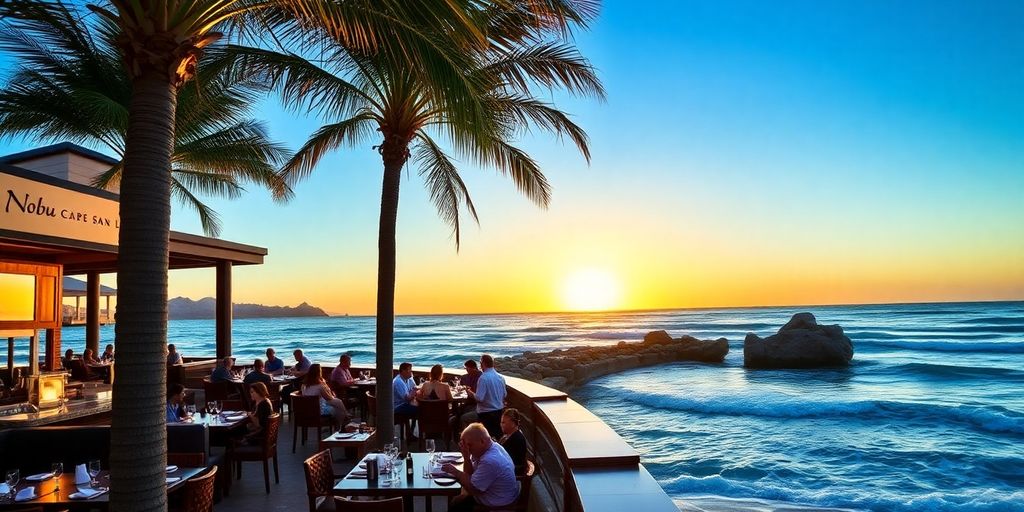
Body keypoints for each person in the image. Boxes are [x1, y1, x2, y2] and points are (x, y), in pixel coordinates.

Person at [443, 423, 519, 512]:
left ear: (482, 441)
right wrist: (466, 458)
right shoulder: (491, 447)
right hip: (496, 495)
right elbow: (470, 475)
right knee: (457, 497)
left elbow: (473, 490)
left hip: (497, 504)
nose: (467, 448)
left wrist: (456, 472)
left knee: (454, 504)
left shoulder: (490, 460)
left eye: (469, 445)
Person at [469, 354, 506, 438]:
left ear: (483, 364)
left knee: (464, 418)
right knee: (497, 436)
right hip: (499, 413)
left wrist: (470, 393)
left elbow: (479, 398)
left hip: (485, 415)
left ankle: (468, 442)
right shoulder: (501, 377)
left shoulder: (483, 378)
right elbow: (504, 395)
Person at [499, 408, 528, 475]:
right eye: (501, 422)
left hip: (511, 473)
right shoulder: (508, 435)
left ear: (513, 423)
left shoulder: (517, 439)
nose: (501, 425)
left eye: (503, 422)